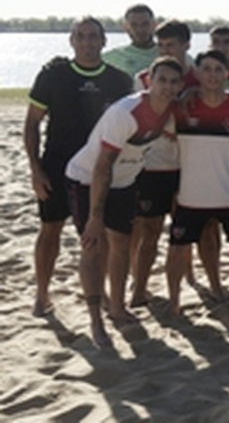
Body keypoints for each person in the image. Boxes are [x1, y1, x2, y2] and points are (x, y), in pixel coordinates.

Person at [65, 56, 182, 346]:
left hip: (125, 182)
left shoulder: (169, 111)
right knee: (93, 246)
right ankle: (95, 320)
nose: (167, 87)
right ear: (149, 81)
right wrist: (95, 216)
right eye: (161, 80)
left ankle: (117, 307)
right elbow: (102, 167)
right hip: (86, 178)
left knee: (121, 244)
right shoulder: (127, 113)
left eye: (173, 82)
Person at [24, 17, 133, 317]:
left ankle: (107, 295)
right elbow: (32, 123)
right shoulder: (53, 76)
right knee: (50, 230)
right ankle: (42, 294)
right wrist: (35, 169)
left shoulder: (119, 80)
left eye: (93, 37)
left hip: (98, 169)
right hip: (57, 166)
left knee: (102, 234)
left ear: (103, 41)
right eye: (80, 37)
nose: (87, 43)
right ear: (72, 41)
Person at [167, 50, 229, 315]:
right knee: (177, 250)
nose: (212, 75)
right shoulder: (181, 107)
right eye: (206, 69)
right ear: (197, 73)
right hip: (191, 195)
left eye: (218, 69)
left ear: (227, 73)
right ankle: (174, 303)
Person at [130, 19, 200, 307]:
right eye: (160, 46)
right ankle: (138, 289)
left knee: (183, 231)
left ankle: (187, 279)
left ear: (186, 46)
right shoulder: (145, 77)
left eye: (171, 45)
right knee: (149, 231)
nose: (165, 50)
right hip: (152, 167)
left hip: (188, 166)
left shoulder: (200, 77)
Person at [102, 3, 158, 77]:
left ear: (154, 25)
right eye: (134, 25)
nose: (140, 29)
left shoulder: (167, 53)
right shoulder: (111, 57)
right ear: (126, 27)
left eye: (145, 24)